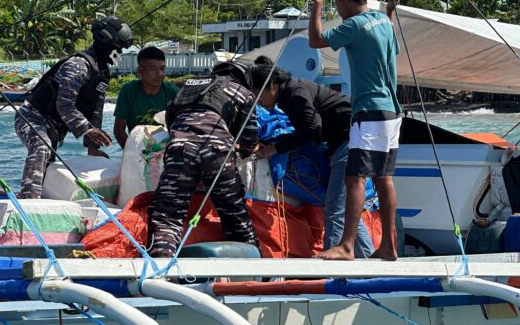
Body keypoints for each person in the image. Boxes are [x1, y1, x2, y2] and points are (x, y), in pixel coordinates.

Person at [308, 0, 401, 261]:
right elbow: (385, 44)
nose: (336, 7)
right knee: (383, 177)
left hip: (369, 109)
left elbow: (315, 40)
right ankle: (389, 245)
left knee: (355, 179)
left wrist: (317, 3)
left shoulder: (354, 25)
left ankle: (347, 246)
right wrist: (389, 10)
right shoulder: (383, 21)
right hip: (391, 109)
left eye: (336, 1)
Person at [250, 59, 375, 258]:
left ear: (271, 85)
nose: (257, 102)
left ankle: (333, 271)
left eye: (256, 94)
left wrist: (276, 148)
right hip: (359, 137)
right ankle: (370, 262)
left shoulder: (295, 94)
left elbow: (312, 129)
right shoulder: (292, 92)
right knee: (345, 206)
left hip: (350, 140)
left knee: (334, 207)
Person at [147, 61, 259, 257]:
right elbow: (249, 138)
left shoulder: (189, 86)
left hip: (180, 149)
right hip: (219, 153)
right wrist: (244, 151)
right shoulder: (242, 92)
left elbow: (171, 121)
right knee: (235, 217)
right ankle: (255, 275)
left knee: (167, 217)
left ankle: (160, 272)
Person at [14, 16, 133, 198]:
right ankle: (29, 201)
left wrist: (92, 147)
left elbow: (95, 110)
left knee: (48, 165)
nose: (119, 51)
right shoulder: (78, 66)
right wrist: (86, 130)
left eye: (122, 48)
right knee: (41, 146)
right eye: (117, 45)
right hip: (32, 116)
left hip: (55, 126)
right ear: (103, 40)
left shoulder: (101, 72)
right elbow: (64, 104)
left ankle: (43, 197)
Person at [113, 46, 180, 148]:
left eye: (162, 68)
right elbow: (118, 129)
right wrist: (131, 153)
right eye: (153, 69)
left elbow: (182, 127)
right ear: (140, 71)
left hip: (167, 149)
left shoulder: (173, 91)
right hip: (138, 147)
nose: (159, 74)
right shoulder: (128, 91)